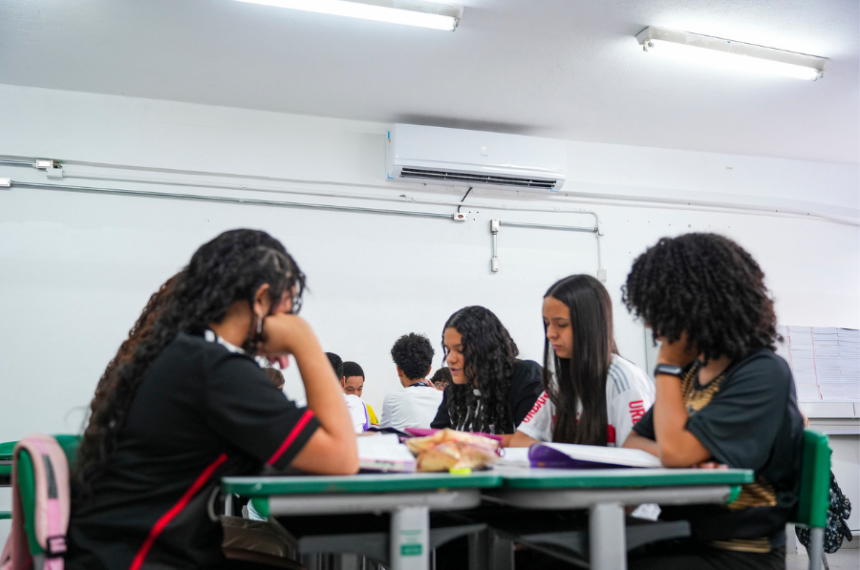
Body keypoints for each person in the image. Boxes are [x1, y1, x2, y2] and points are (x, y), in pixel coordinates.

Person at [67, 229, 358, 570]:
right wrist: (304, 339)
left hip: (112, 550)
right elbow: (342, 457)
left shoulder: (186, 354)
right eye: (288, 307)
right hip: (139, 559)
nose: (290, 318)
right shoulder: (216, 370)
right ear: (261, 299)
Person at [622, 233, 803, 570]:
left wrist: (666, 364)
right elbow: (634, 441)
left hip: (738, 553)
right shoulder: (691, 374)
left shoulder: (762, 372)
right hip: (681, 535)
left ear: (696, 307)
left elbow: (674, 451)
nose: (649, 323)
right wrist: (680, 458)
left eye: (659, 311)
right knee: (553, 552)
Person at [510, 275, 654, 448]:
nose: (550, 334)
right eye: (547, 324)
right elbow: (520, 440)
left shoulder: (624, 380)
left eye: (561, 324)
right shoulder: (559, 382)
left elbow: (639, 453)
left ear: (589, 325)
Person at [431, 306, 543, 443]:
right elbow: (436, 439)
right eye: (448, 350)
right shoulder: (454, 391)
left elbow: (530, 440)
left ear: (485, 349)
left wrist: (463, 442)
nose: (450, 359)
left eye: (460, 350)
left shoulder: (525, 377)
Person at [380, 333, 443, 431]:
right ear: (429, 370)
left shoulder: (393, 399)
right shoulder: (445, 400)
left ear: (399, 370)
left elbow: (384, 436)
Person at [341, 360, 378, 428]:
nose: (356, 394)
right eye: (350, 390)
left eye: (359, 389)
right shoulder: (330, 411)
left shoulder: (368, 409)